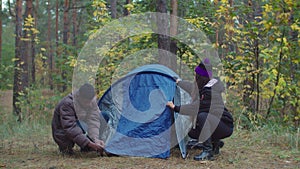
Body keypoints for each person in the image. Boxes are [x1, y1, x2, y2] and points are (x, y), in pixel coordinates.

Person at [167, 58, 234, 161]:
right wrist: (179, 82)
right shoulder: (205, 87)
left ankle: (207, 151)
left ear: (200, 77)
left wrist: (175, 107)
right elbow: (191, 87)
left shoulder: (210, 91)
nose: (195, 77)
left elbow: (195, 108)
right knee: (192, 133)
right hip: (217, 123)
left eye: (196, 75)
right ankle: (214, 145)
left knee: (202, 117)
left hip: (224, 125)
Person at [52, 83, 105, 155]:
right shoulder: (67, 104)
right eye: (86, 102)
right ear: (79, 97)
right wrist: (88, 143)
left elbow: (93, 121)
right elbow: (70, 128)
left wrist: (95, 139)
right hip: (63, 133)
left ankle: (88, 147)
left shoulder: (92, 102)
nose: (89, 104)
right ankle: (67, 147)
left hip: (81, 128)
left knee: (104, 116)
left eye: (90, 101)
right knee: (81, 125)